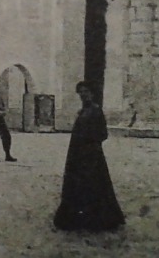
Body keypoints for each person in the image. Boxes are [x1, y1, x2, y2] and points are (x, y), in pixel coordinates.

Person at [53, 82, 126, 233]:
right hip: (77, 154)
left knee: (94, 185)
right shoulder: (83, 111)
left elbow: (103, 134)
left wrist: (90, 143)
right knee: (77, 185)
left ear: (92, 94)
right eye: (80, 92)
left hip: (92, 156)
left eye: (86, 91)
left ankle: (96, 219)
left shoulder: (96, 110)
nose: (83, 95)